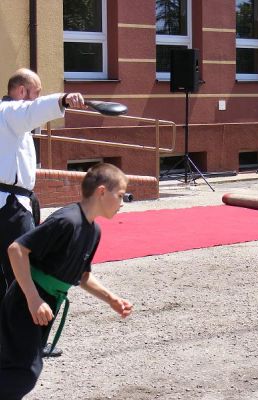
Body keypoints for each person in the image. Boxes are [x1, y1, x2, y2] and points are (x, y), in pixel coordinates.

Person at [0, 163, 133, 400]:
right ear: (102, 192)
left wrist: (111, 299)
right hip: (25, 303)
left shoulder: (93, 231)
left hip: (45, 305)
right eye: (121, 195)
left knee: (18, 367)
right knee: (23, 372)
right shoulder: (67, 220)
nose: (122, 202)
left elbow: (82, 275)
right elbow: (16, 249)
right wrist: (33, 298)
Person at [0, 69, 86, 357]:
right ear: (22, 92)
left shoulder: (10, 120)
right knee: (23, 271)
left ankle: (10, 341)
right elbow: (33, 111)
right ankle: (25, 343)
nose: (38, 98)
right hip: (10, 207)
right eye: (35, 93)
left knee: (8, 273)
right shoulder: (11, 112)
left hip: (12, 202)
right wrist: (63, 99)